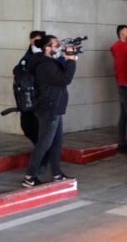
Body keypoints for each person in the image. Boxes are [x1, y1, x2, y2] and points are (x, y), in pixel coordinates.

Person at [22, 35, 77, 187]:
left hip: (55, 108)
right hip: (48, 108)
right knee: (44, 144)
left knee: (56, 143)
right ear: (47, 48)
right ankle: (29, 176)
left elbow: (61, 75)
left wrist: (68, 57)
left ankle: (57, 174)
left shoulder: (49, 62)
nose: (58, 47)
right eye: (56, 45)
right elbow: (65, 79)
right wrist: (71, 60)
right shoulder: (44, 65)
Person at [14, 30, 45, 145]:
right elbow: (17, 70)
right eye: (32, 42)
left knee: (40, 126)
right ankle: (40, 147)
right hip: (27, 97)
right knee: (26, 126)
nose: (34, 44)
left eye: (37, 41)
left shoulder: (48, 55)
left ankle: (42, 151)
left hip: (40, 96)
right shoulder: (28, 55)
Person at [110, 25, 127, 154]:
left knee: (125, 115)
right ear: (121, 34)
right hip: (126, 85)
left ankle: (122, 143)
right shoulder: (120, 46)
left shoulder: (121, 47)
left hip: (124, 85)